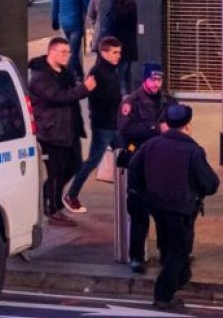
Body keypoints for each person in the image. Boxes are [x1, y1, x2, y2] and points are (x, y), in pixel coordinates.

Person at [128, 104, 218, 310]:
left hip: (157, 206)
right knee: (179, 250)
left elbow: (134, 169)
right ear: (187, 125)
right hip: (181, 209)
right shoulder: (193, 150)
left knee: (168, 244)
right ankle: (163, 294)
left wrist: (144, 191)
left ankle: (180, 277)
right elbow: (209, 183)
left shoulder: (151, 145)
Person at [28, 37, 96, 226]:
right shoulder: (40, 77)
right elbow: (57, 97)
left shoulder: (64, 72)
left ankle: (49, 197)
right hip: (51, 132)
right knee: (55, 172)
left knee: (75, 165)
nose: (67, 56)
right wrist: (84, 89)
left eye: (68, 52)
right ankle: (52, 207)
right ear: (51, 52)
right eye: (63, 52)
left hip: (68, 130)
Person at [118, 62, 173, 273]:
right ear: (145, 79)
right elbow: (126, 130)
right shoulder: (130, 102)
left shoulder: (167, 101)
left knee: (164, 213)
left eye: (159, 79)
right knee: (139, 214)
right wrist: (155, 128)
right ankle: (136, 257)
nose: (157, 83)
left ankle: (166, 253)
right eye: (153, 79)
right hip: (139, 162)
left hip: (161, 163)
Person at [64, 37, 123, 213]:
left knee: (128, 154)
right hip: (104, 125)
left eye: (119, 52)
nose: (118, 56)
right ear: (104, 53)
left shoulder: (111, 69)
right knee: (93, 161)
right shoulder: (98, 72)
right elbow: (96, 99)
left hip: (114, 123)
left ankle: (130, 190)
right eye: (115, 52)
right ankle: (71, 195)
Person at [51, 0, 92, 79]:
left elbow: (55, 4)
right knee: (72, 53)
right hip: (76, 25)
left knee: (72, 50)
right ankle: (66, 78)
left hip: (63, 23)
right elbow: (87, 5)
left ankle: (79, 75)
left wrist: (54, 20)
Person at [100, 0, 139, 92]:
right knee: (124, 78)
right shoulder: (120, 1)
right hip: (120, 47)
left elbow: (117, 18)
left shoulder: (127, 2)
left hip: (123, 49)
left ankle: (123, 106)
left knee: (120, 79)